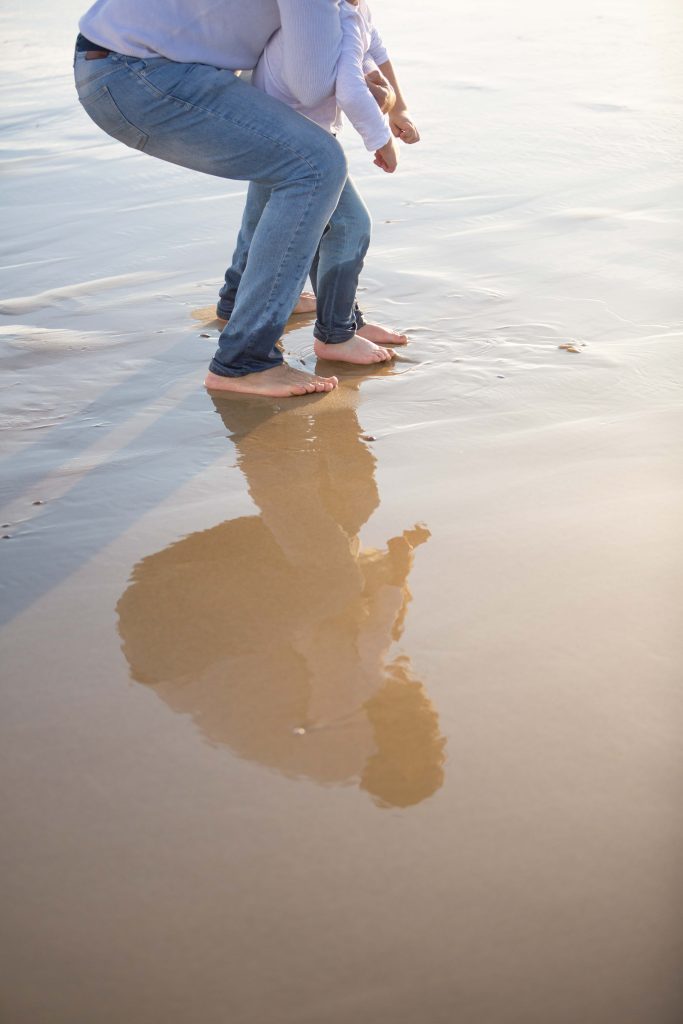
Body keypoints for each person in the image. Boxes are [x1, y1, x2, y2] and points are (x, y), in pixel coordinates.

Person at [73, 1, 400, 398]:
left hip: (130, 64)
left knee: (295, 157)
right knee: (315, 164)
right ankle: (244, 361)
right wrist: (369, 93)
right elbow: (308, 84)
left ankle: (246, 301)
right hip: (139, 73)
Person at [217, 0, 420, 369]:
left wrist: (397, 107)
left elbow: (373, 49)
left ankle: (236, 298)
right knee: (347, 225)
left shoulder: (348, 11)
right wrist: (381, 140)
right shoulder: (334, 17)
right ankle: (337, 333)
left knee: (265, 215)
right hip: (292, 136)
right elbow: (351, 89)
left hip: (273, 123)